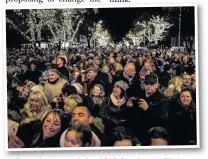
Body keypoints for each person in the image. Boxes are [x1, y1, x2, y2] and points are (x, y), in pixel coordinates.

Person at [127, 74, 169, 142]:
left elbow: (164, 120)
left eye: (152, 84)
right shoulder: (138, 95)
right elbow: (133, 118)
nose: (149, 86)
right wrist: (130, 107)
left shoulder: (162, 99)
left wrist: (148, 109)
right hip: (138, 135)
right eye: (146, 83)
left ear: (156, 85)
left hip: (153, 136)